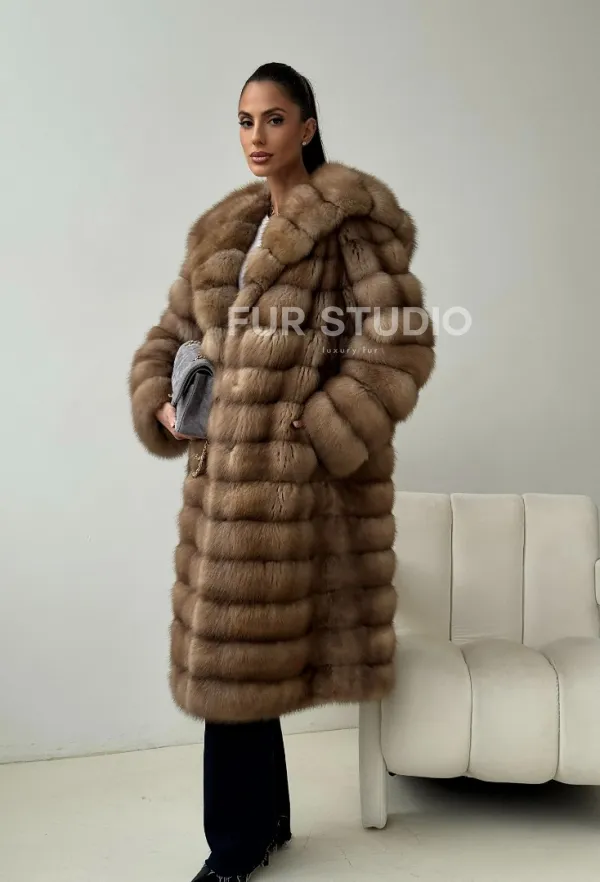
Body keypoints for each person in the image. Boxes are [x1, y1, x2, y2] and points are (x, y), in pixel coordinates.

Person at [128, 61, 435, 881]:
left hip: (290, 489)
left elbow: (400, 343)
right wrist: (161, 399)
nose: (256, 136)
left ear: (306, 126)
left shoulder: (347, 225)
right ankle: (266, 822)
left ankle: (233, 849)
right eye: (244, 120)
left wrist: (312, 428)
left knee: (234, 657)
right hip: (220, 484)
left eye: (272, 118)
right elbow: (170, 330)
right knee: (243, 654)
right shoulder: (224, 231)